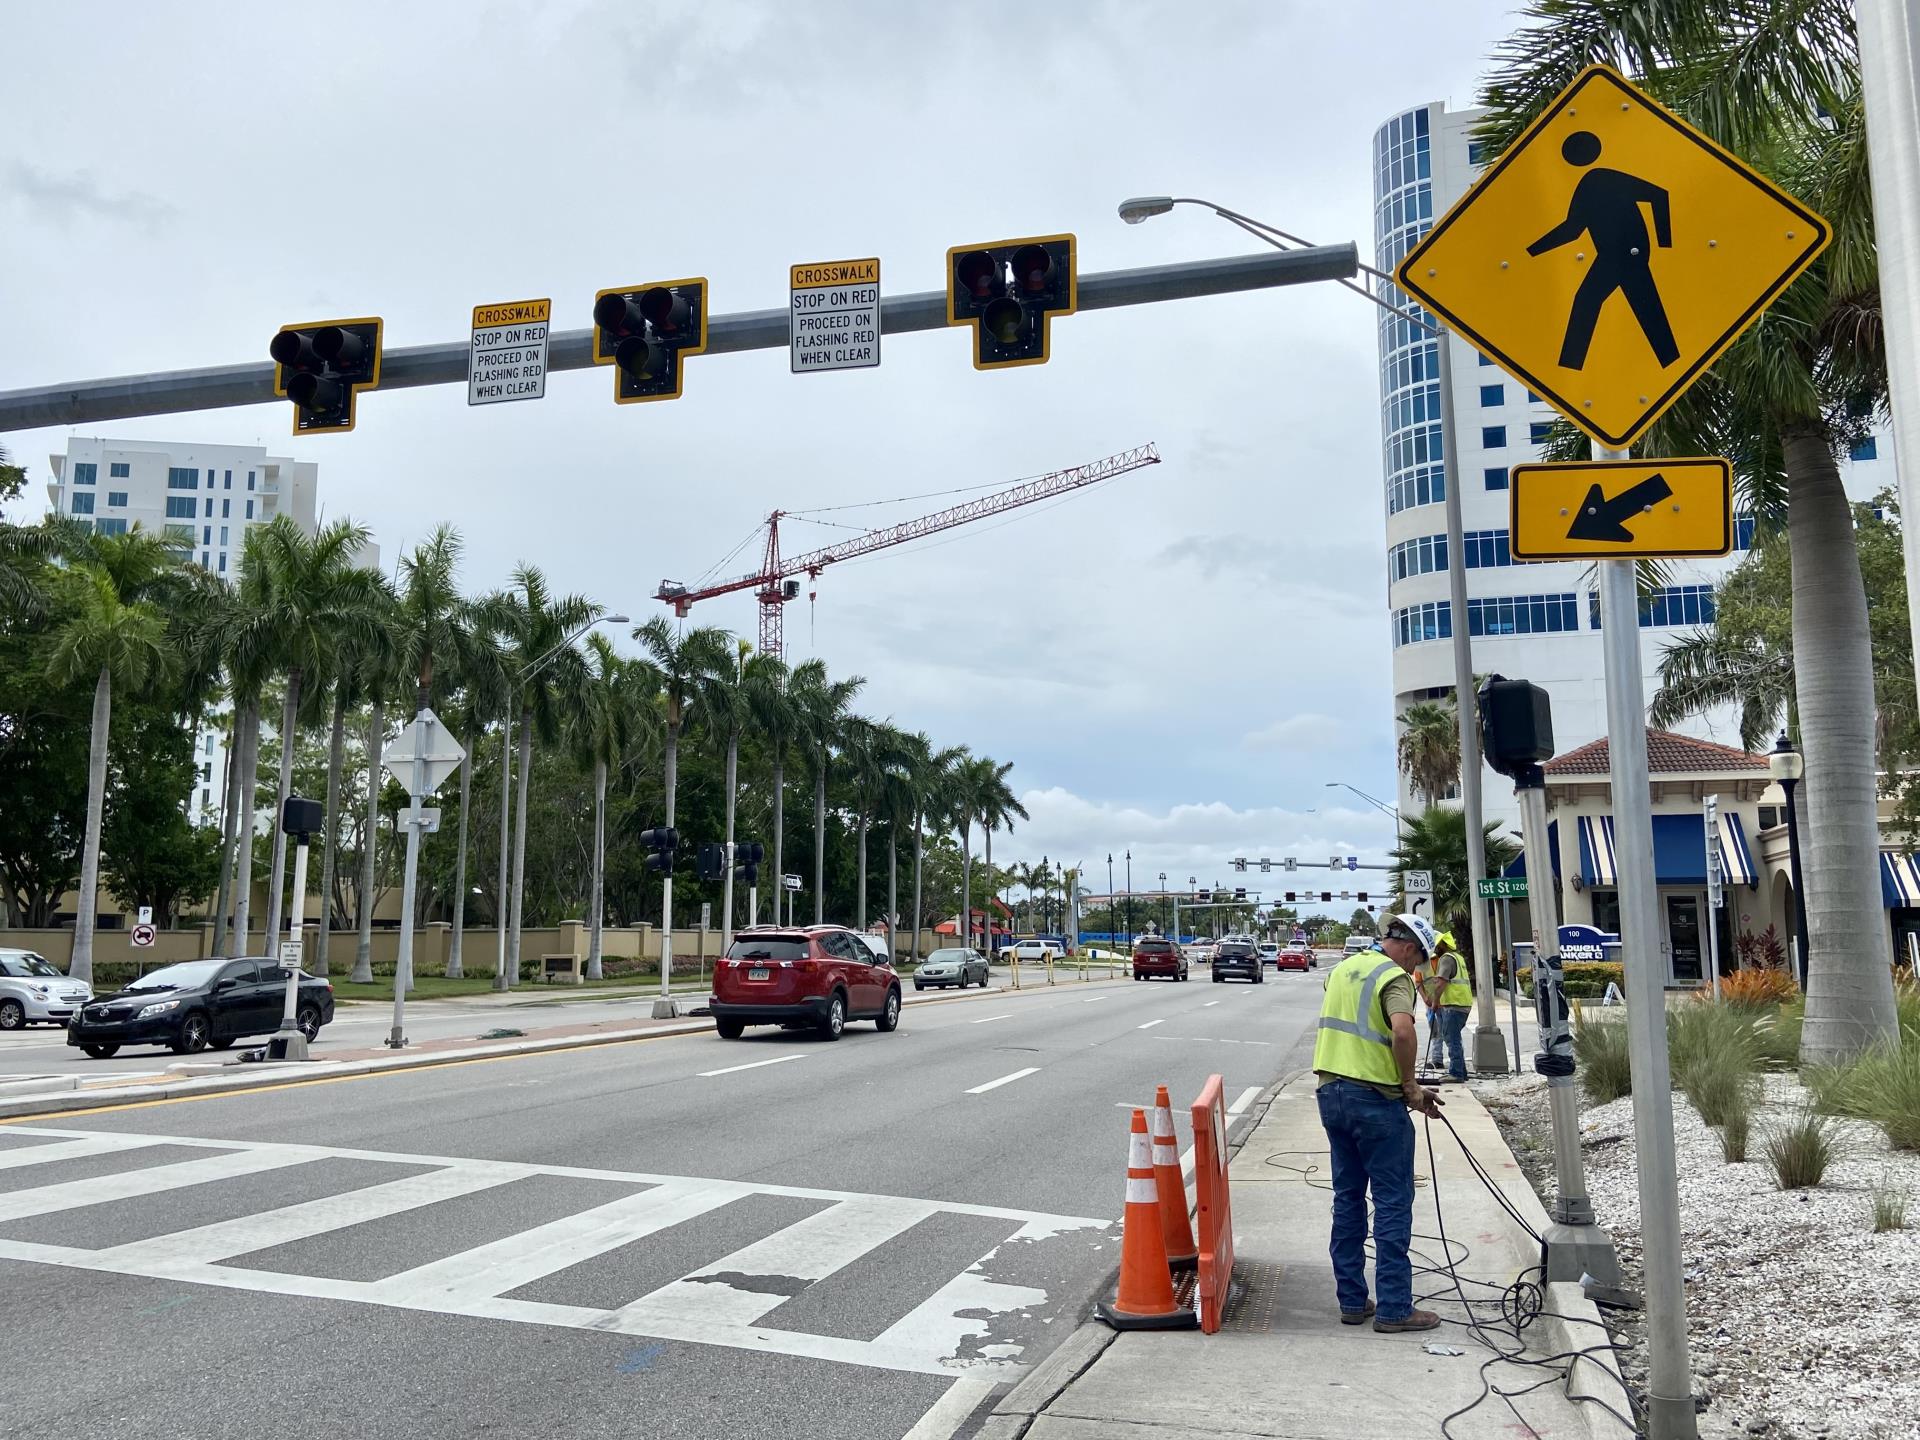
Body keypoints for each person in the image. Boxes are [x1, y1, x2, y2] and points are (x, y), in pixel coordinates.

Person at [1314, 912, 1445, 1333]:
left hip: (1331, 1094)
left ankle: (1352, 1300)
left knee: (1348, 1198)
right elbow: (1402, 1033)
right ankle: (1394, 1307)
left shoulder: (1342, 970)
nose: (1418, 968)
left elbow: (1360, 1037)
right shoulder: (1394, 977)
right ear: (1408, 946)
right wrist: (1409, 1086)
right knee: (1391, 1201)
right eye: (1420, 959)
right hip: (1374, 1103)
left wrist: (1411, 1088)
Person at [1419, 931, 1474, 1084]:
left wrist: (1435, 1001)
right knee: (1454, 1038)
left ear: (1443, 945)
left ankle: (1456, 1073)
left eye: (1436, 945)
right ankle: (1461, 1071)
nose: (1434, 948)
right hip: (1463, 1003)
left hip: (1453, 1004)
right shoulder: (1458, 957)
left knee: (1451, 1039)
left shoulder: (1446, 959)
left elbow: (1441, 982)